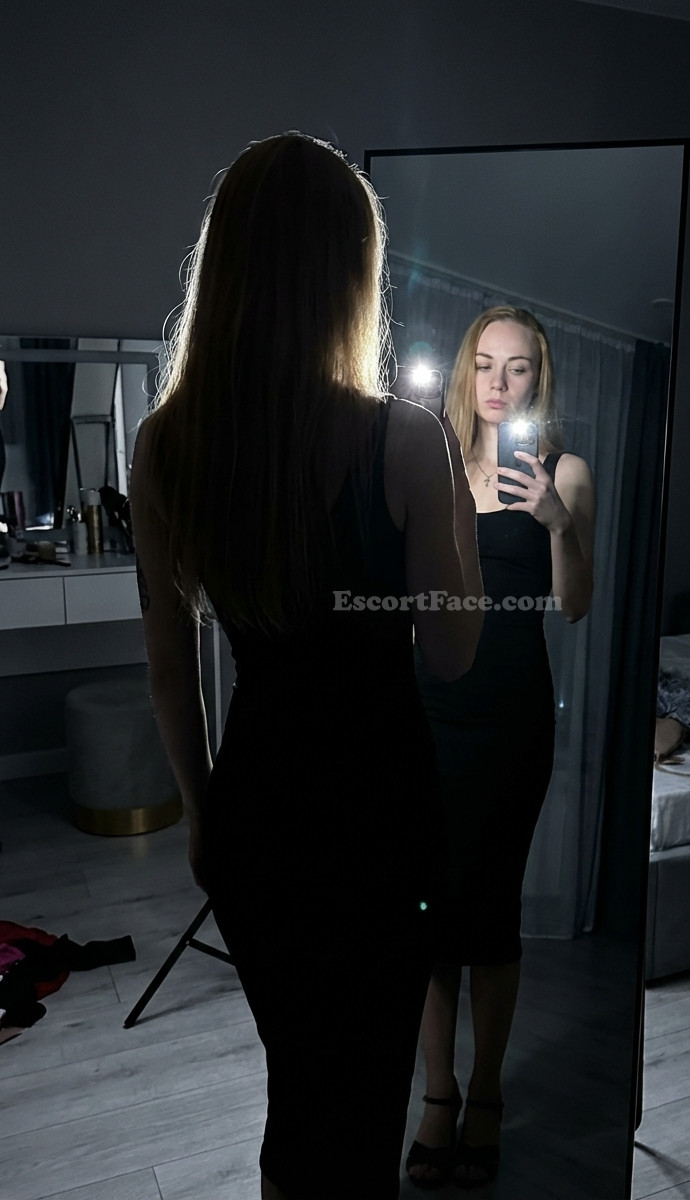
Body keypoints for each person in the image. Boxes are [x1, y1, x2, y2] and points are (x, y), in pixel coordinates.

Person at [129, 132, 483, 1200]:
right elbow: (453, 654)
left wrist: (202, 817)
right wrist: (460, 507)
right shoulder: (407, 442)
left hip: (258, 819)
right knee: (361, 1108)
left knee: (299, 1087)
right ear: (349, 277)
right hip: (380, 822)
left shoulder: (167, 445)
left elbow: (168, 670)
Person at [406, 306, 595, 1190]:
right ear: (465, 371)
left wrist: (556, 522)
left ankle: (486, 1095)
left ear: (537, 378)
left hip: (512, 724)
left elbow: (575, 606)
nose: (497, 381)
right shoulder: (431, 465)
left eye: (516, 367)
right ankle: (437, 1095)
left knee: (491, 915)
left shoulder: (567, 472)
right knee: (430, 917)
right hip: (427, 718)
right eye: (485, 363)